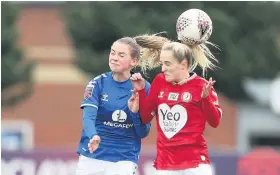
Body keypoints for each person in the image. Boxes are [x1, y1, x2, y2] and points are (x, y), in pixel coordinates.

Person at [129, 34, 222, 175]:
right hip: (165, 164)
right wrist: (141, 91)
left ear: (183, 64)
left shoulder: (202, 86)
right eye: (162, 63)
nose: (163, 69)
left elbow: (214, 122)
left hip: (195, 164)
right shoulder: (159, 81)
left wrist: (205, 98)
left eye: (167, 64)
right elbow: (146, 118)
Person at [75, 37, 152, 175]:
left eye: (121, 55)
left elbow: (143, 132)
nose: (114, 58)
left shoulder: (143, 88)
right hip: (92, 155)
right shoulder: (97, 83)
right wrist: (93, 135)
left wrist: (134, 112)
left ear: (133, 61)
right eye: (112, 53)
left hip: (124, 159)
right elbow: (88, 117)